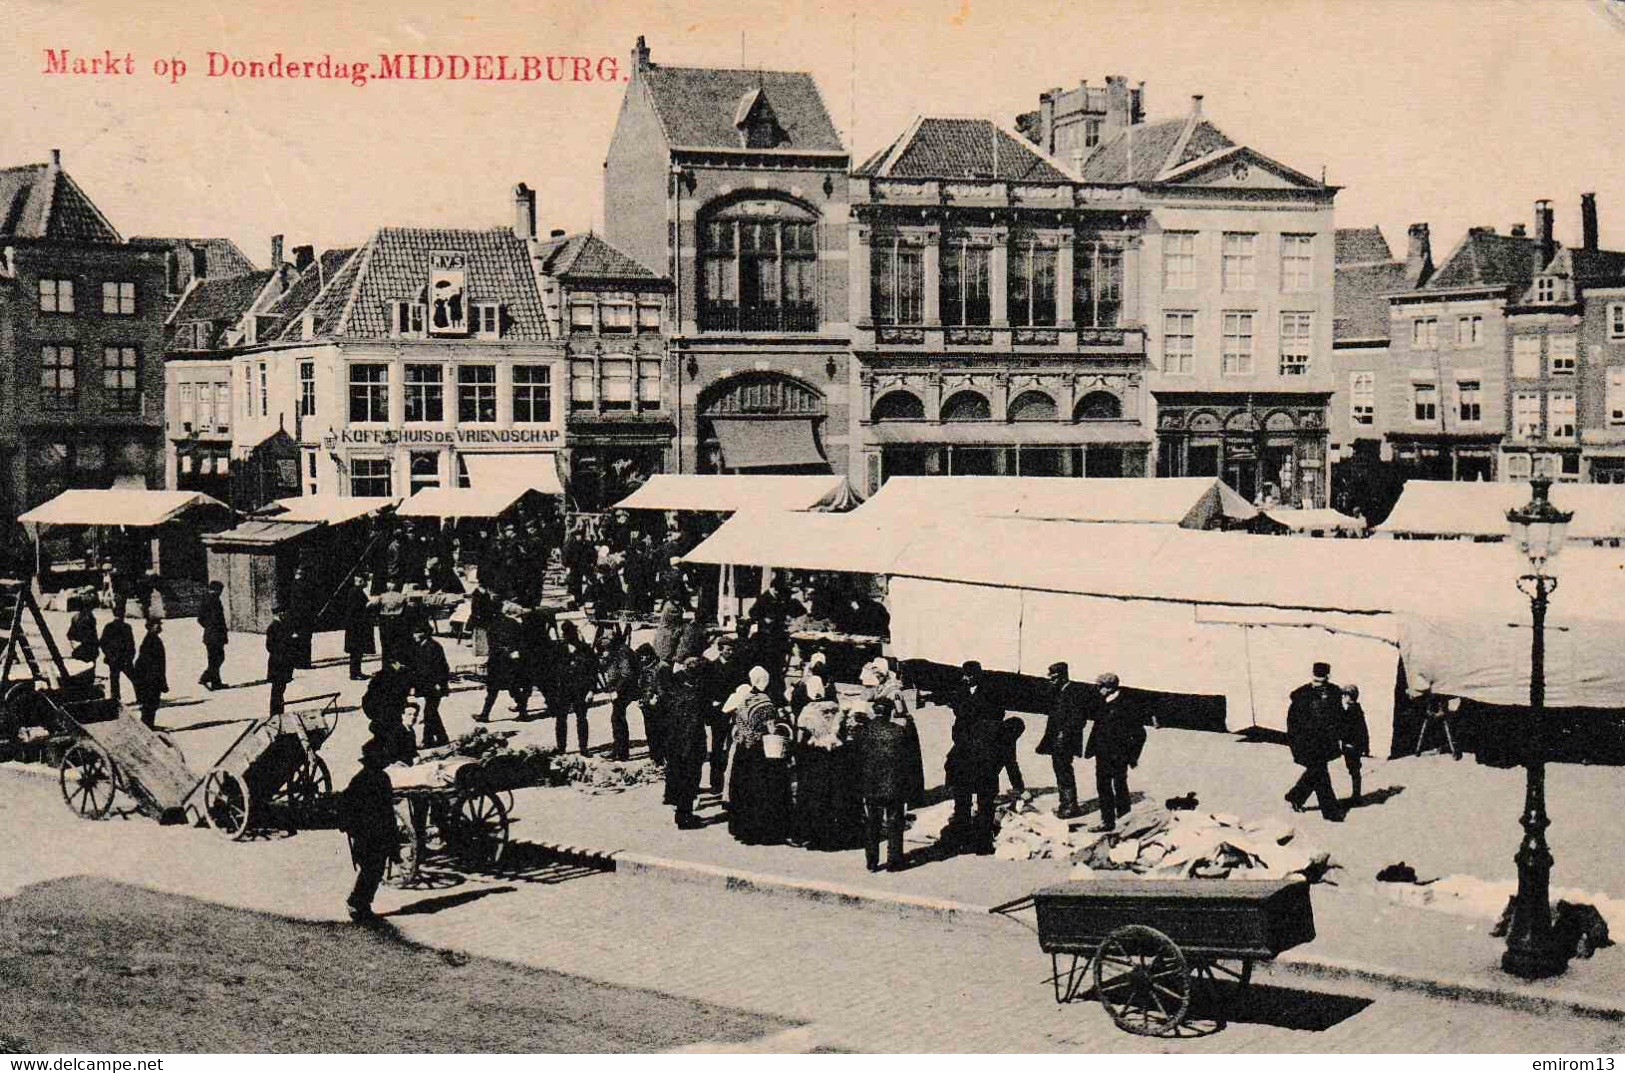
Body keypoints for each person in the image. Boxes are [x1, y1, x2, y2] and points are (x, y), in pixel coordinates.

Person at [725, 666, 792, 845]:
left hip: (742, 750)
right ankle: (763, 830)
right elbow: (771, 728)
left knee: (743, 790)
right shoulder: (766, 703)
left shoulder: (744, 699)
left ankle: (742, 829)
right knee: (762, 790)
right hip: (760, 750)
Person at [339, 734, 400, 922]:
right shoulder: (363, 780)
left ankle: (361, 903)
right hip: (368, 833)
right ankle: (357, 903)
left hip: (378, 831)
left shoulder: (378, 777)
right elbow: (347, 804)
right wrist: (351, 827)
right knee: (371, 870)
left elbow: (388, 808)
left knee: (374, 869)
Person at [946, 661, 1003, 854]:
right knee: (962, 802)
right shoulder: (961, 692)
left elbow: (995, 718)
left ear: (977, 676)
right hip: (963, 754)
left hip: (983, 756)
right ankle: (962, 841)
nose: (965, 679)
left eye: (969, 676)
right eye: (964, 675)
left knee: (985, 802)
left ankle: (983, 843)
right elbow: (958, 715)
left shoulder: (991, 693)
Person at [1284, 661, 1347, 822]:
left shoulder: (1334, 693)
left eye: (1322, 679)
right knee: (1321, 774)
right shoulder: (1301, 696)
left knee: (1316, 772)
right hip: (1308, 743)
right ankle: (1330, 812)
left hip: (1325, 743)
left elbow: (1339, 717)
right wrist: (1295, 743)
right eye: (1317, 679)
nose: (1319, 682)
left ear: (1327, 676)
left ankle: (1295, 796)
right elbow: (1293, 724)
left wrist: (1340, 736)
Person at [1085, 672, 1146, 833]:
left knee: (1120, 786)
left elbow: (1140, 734)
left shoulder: (1126, 705)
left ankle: (1124, 820)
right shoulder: (1103, 702)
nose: (1098, 690)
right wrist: (1091, 749)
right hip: (1102, 754)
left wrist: (1132, 757)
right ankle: (1107, 821)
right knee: (1103, 787)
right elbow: (1097, 729)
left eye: (1100, 687)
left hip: (1119, 756)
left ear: (1110, 687)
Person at [858, 696, 913, 872]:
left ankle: (872, 862)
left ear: (875, 711)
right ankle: (894, 861)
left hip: (871, 785)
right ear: (890, 712)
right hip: (894, 784)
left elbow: (858, 759)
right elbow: (908, 760)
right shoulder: (899, 731)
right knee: (895, 823)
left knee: (872, 823)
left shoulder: (865, 731)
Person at [1036, 661, 1094, 820]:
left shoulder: (1074, 693)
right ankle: (1065, 804)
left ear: (1062, 676)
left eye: (1054, 678)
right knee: (1060, 770)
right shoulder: (1058, 691)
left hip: (1066, 741)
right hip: (1057, 740)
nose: (1051, 681)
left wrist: (1064, 734)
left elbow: (1079, 719)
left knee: (1064, 771)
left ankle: (1070, 806)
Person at [663, 659, 709, 829]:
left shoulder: (675, 693)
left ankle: (682, 814)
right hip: (689, 746)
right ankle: (685, 817)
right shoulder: (695, 697)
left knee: (679, 778)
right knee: (690, 780)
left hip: (674, 744)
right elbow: (696, 725)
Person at [363, 655, 419, 765]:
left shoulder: (401, 674)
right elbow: (370, 701)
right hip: (382, 714)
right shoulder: (387, 677)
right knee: (391, 735)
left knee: (401, 733)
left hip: (388, 713)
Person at [551, 620, 596, 754]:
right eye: (567, 633)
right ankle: (561, 748)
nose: (570, 636)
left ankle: (583, 747)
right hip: (563, 689)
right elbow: (551, 671)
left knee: (581, 718)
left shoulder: (586, 649)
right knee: (561, 719)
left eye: (572, 632)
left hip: (581, 689)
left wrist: (592, 690)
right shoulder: (558, 650)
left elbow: (593, 670)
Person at [409, 622, 451, 749]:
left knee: (429, 712)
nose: (414, 635)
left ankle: (428, 741)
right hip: (427, 684)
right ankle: (442, 737)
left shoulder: (433, 647)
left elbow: (442, 667)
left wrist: (440, 683)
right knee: (432, 712)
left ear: (424, 633)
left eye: (417, 632)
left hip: (435, 685)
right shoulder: (420, 646)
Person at [603, 632, 642, 762]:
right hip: (622, 689)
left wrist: (616, 691)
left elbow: (626, 674)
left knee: (617, 718)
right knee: (617, 718)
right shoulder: (616, 650)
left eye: (605, 638)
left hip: (625, 690)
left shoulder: (622, 652)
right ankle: (618, 750)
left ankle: (621, 753)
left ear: (613, 639)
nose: (602, 641)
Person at [132, 618, 168, 729]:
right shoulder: (151, 640)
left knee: (152, 703)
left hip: (152, 677)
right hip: (151, 678)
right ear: (151, 627)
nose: (160, 627)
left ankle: (148, 724)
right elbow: (147, 662)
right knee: (150, 703)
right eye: (157, 625)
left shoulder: (152, 639)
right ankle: (147, 725)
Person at [99, 601, 137, 703]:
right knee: (134, 678)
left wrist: (109, 655)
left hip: (114, 659)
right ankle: (140, 697)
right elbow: (131, 644)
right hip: (124, 659)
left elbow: (102, 643)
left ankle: (115, 699)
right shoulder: (127, 627)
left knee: (114, 680)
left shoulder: (109, 627)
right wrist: (130, 656)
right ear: (123, 614)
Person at [340, 574, 375, 681]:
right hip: (356, 627)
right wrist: (368, 606)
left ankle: (357, 672)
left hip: (354, 626)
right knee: (356, 652)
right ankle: (354, 673)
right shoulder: (356, 592)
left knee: (357, 652)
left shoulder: (355, 591)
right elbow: (356, 609)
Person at [1340, 684, 1371, 805]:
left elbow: (1350, 729)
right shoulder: (1356, 709)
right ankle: (1356, 795)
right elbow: (1365, 730)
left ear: (1348, 696)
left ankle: (1356, 797)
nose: (1343, 697)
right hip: (1354, 745)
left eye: (1344, 695)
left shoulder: (1351, 711)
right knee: (1354, 770)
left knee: (1354, 770)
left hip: (1351, 746)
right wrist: (1366, 747)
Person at [265, 605, 299, 717]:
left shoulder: (283, 625)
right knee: (277, 690)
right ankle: (275, 713)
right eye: (283, 612)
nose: (286, 614)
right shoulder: (273, 627)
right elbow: (270, 646)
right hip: (277, 664)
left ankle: (278, 712)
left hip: (283, 663)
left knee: (280, 689)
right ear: (279, 614)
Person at [197, 580, 228, 690]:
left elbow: (200, 619)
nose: (221, 592)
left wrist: (208, 627)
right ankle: (206, 677)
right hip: (215, 635)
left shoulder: (207, 599)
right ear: (216, 590)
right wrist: (212, 627)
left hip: (211, 635)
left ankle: (215, 682)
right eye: (220, 590)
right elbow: (206, 619)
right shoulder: (213, 600)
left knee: (215, 658)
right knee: (218, 658)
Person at [66, 591, 99, 664]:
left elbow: (69, 635)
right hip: (88, 649)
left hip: (79, 648)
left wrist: (74, 644)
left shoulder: (75, 617)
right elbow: (92, 636)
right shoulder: (90, 618)